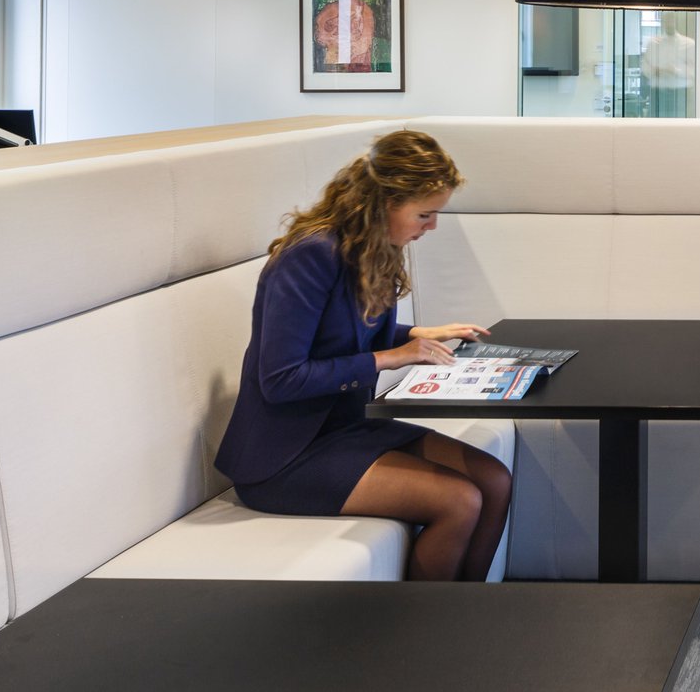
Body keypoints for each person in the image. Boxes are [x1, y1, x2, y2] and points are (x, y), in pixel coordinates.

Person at [214, 129, 511, 582]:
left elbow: (341, 334)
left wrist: (417, 332)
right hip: (286, 455)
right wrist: (392, 357)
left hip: (345, 429)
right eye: (424, 214)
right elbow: (281, 377)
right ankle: (420, 640)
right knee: (459, 499)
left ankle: (463, 616)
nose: (430, 227)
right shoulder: (310, 256)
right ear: (383, 203)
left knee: (492, 479)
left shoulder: (373, 249)